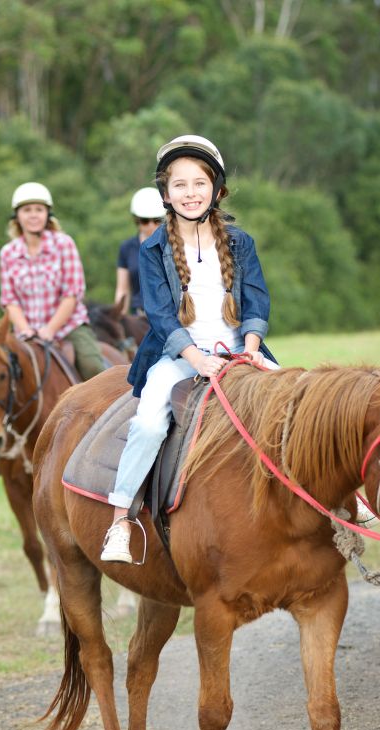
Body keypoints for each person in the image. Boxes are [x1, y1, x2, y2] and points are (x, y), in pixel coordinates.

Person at [100, 135, 279, 564]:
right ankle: (120, 520)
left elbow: (256, 300)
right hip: (179, 356)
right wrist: (198, 360)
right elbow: (161, 315)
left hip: (240, 348)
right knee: (147, 424)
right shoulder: (152, 248)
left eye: (199, 183)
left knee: (300, 402)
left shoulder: (240, 242)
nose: (190, 193)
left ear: (216, 189)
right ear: (166, 193)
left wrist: (251, 349)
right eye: (179, 185)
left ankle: (338, 502)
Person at [0, 181, 107, 481]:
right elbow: (9, 300)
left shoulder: (63, 244)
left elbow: (72, 293)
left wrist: (49, 330)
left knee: (94, 365)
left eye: (39, 210)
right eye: (27, 210)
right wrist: (27, 329)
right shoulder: (9, 252)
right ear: (17, 217)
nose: (33, 215)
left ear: (47, 214)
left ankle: (108, 433)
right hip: (24, 332)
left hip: (67, 327)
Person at [115, 187, 166, 315]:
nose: (151, 225)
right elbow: (123, 290)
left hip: (171, 316)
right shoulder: (126, 248)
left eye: (156, 220)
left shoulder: (174, 245)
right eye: (144, 221)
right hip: (140, 317)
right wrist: (117, 317)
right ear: (136, 220)